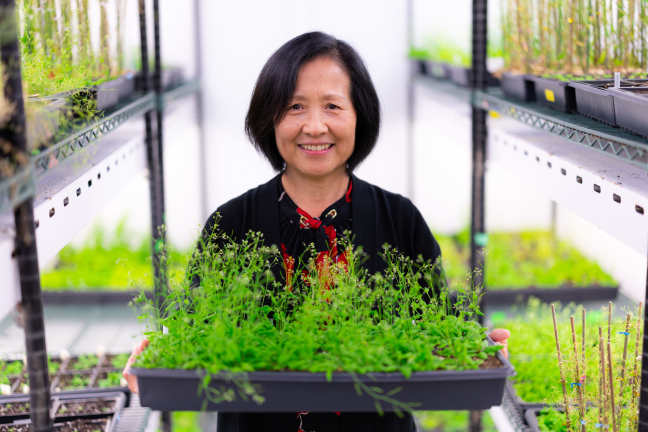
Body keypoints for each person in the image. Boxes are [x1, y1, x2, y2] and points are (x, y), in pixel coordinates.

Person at [123, 31, 510, 432]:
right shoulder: (233, 223)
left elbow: (436, 320)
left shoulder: (399, 218)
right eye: (294, 106)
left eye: (332, 106)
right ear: (269, 118)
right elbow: (196, 324)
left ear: (360, 115)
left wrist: (477, 347)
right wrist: (159, 354)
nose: (314, 126)